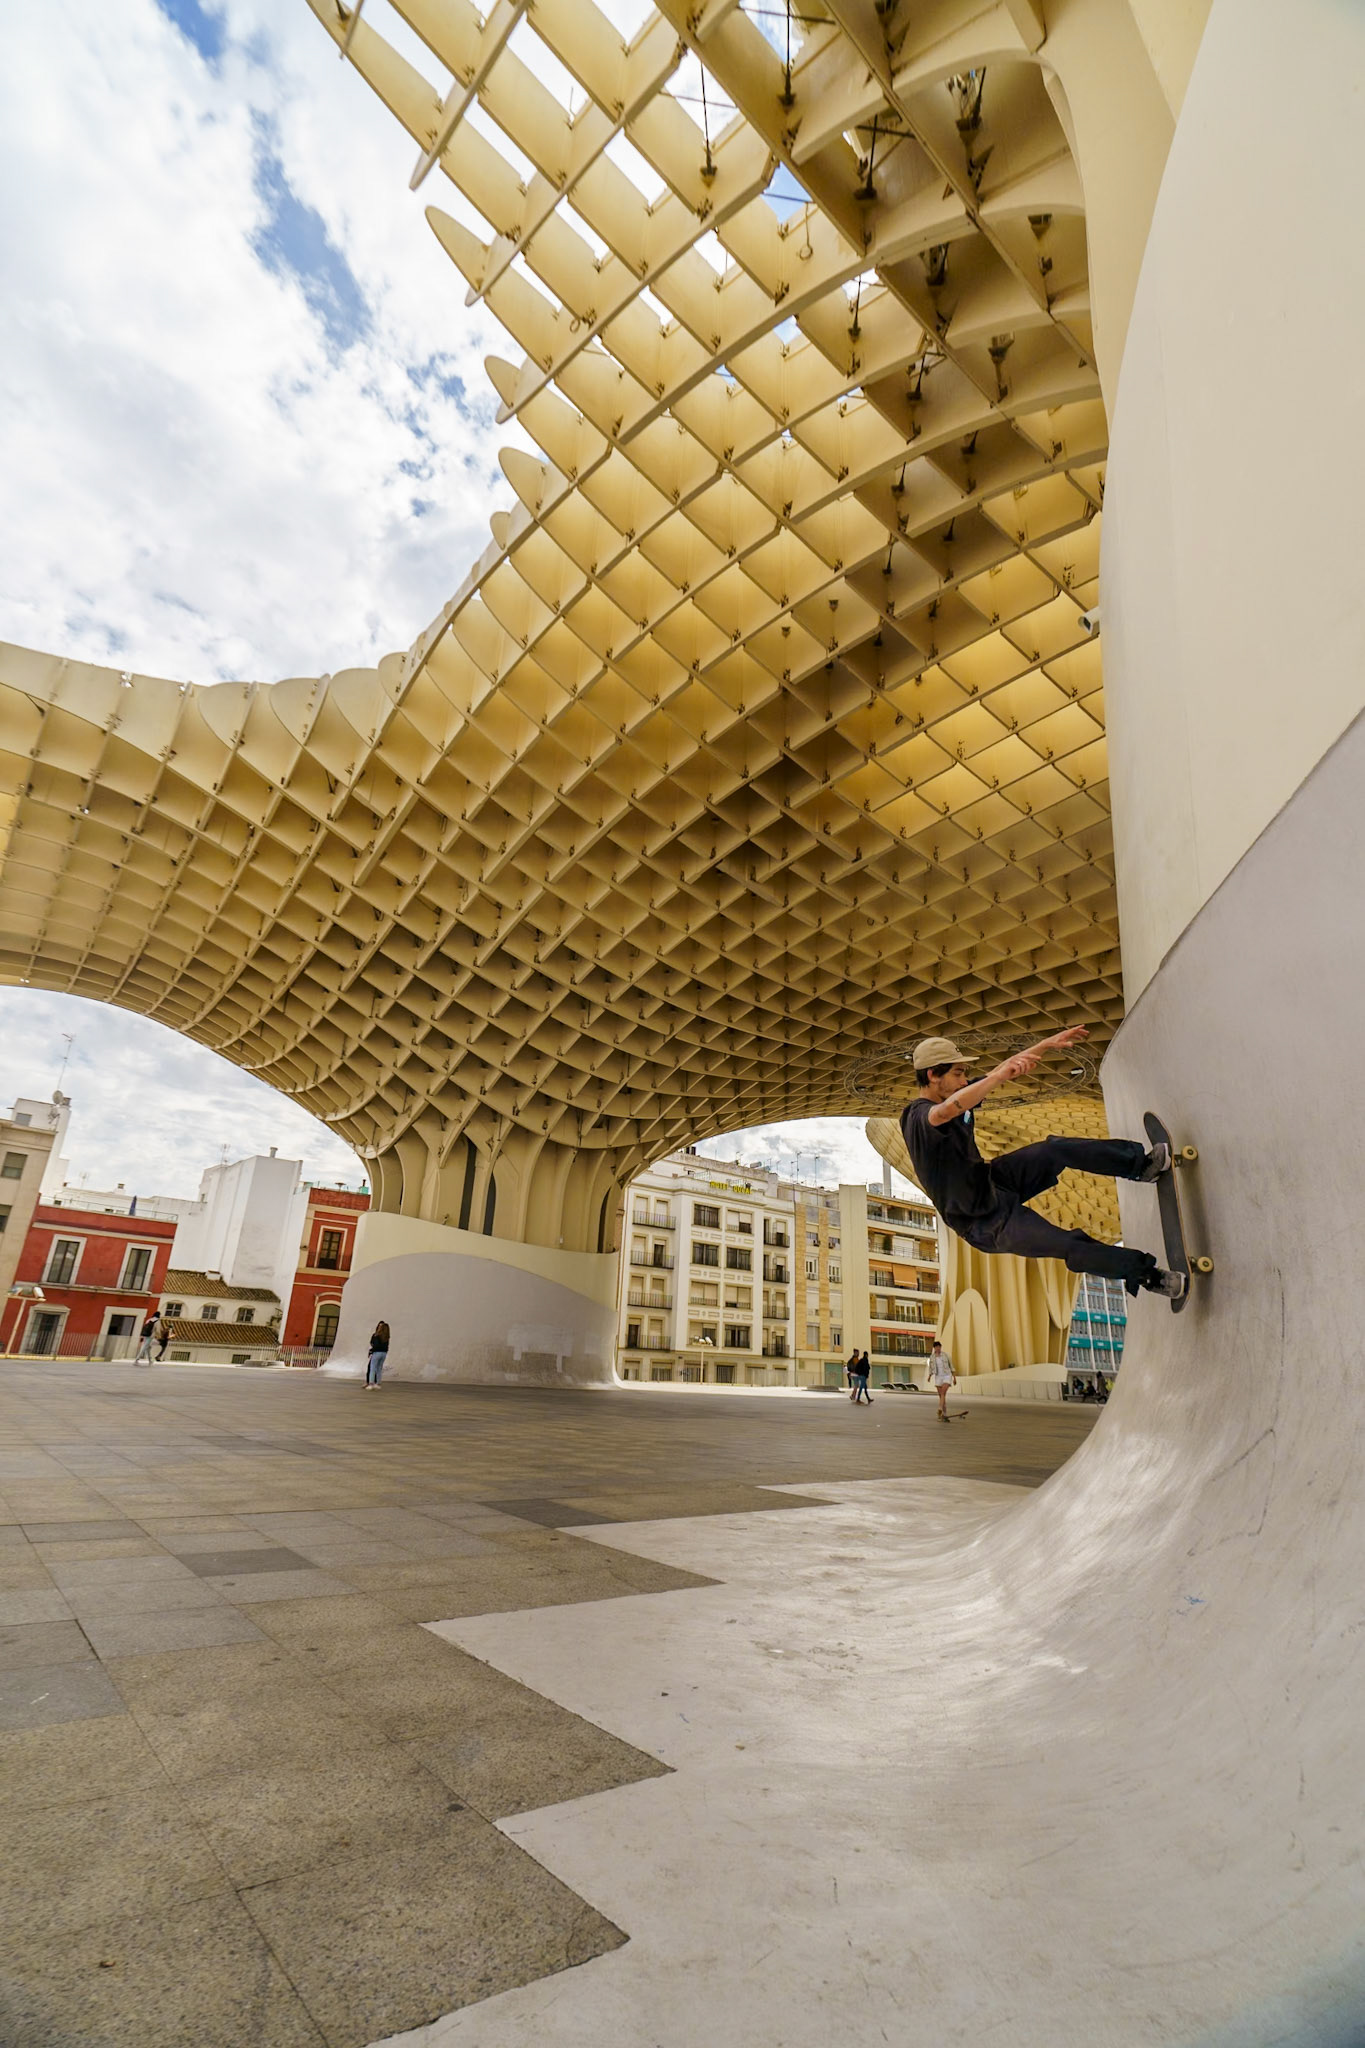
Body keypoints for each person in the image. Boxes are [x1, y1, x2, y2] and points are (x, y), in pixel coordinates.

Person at [901, 1028, 1185, 1304]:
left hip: (993, 1180)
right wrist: (997, 1076)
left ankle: (1141, 1166)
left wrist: (1046, 1044)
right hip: (983, 1222)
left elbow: (1001, 1070)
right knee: (1068, 1245)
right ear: (932, 1075)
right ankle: (1149, 1276)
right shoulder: (917, 1116)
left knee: (1054, 1149)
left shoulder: (960, 1093)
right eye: (958, 1074)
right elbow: (945, 1111)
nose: (964, 1081)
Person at [927, 1339, 956, 1420]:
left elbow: (951, 1366)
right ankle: (944, 1414)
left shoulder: (946, 1355)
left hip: (947, 1375)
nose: (938, 1348)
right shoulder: (932, 1357)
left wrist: (954, 1378)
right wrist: (929, 1376)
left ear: (941, 1347)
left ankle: (940, 1409)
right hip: (938, 1377)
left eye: (939, 1347)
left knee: (943, 1393)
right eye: (936, 1347)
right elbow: (931, 1368)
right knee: (941, 1396)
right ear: (934, 1348)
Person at [365, 1319, 390, 1388]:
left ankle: (371, 1383)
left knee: (372, 1368)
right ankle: (378, 1383)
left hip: (377, 1353)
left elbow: (375, 1345)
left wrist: (371, 1351)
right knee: (379, 1368)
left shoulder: (377, 1335)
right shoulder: (386, 1337)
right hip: (384, 1353)